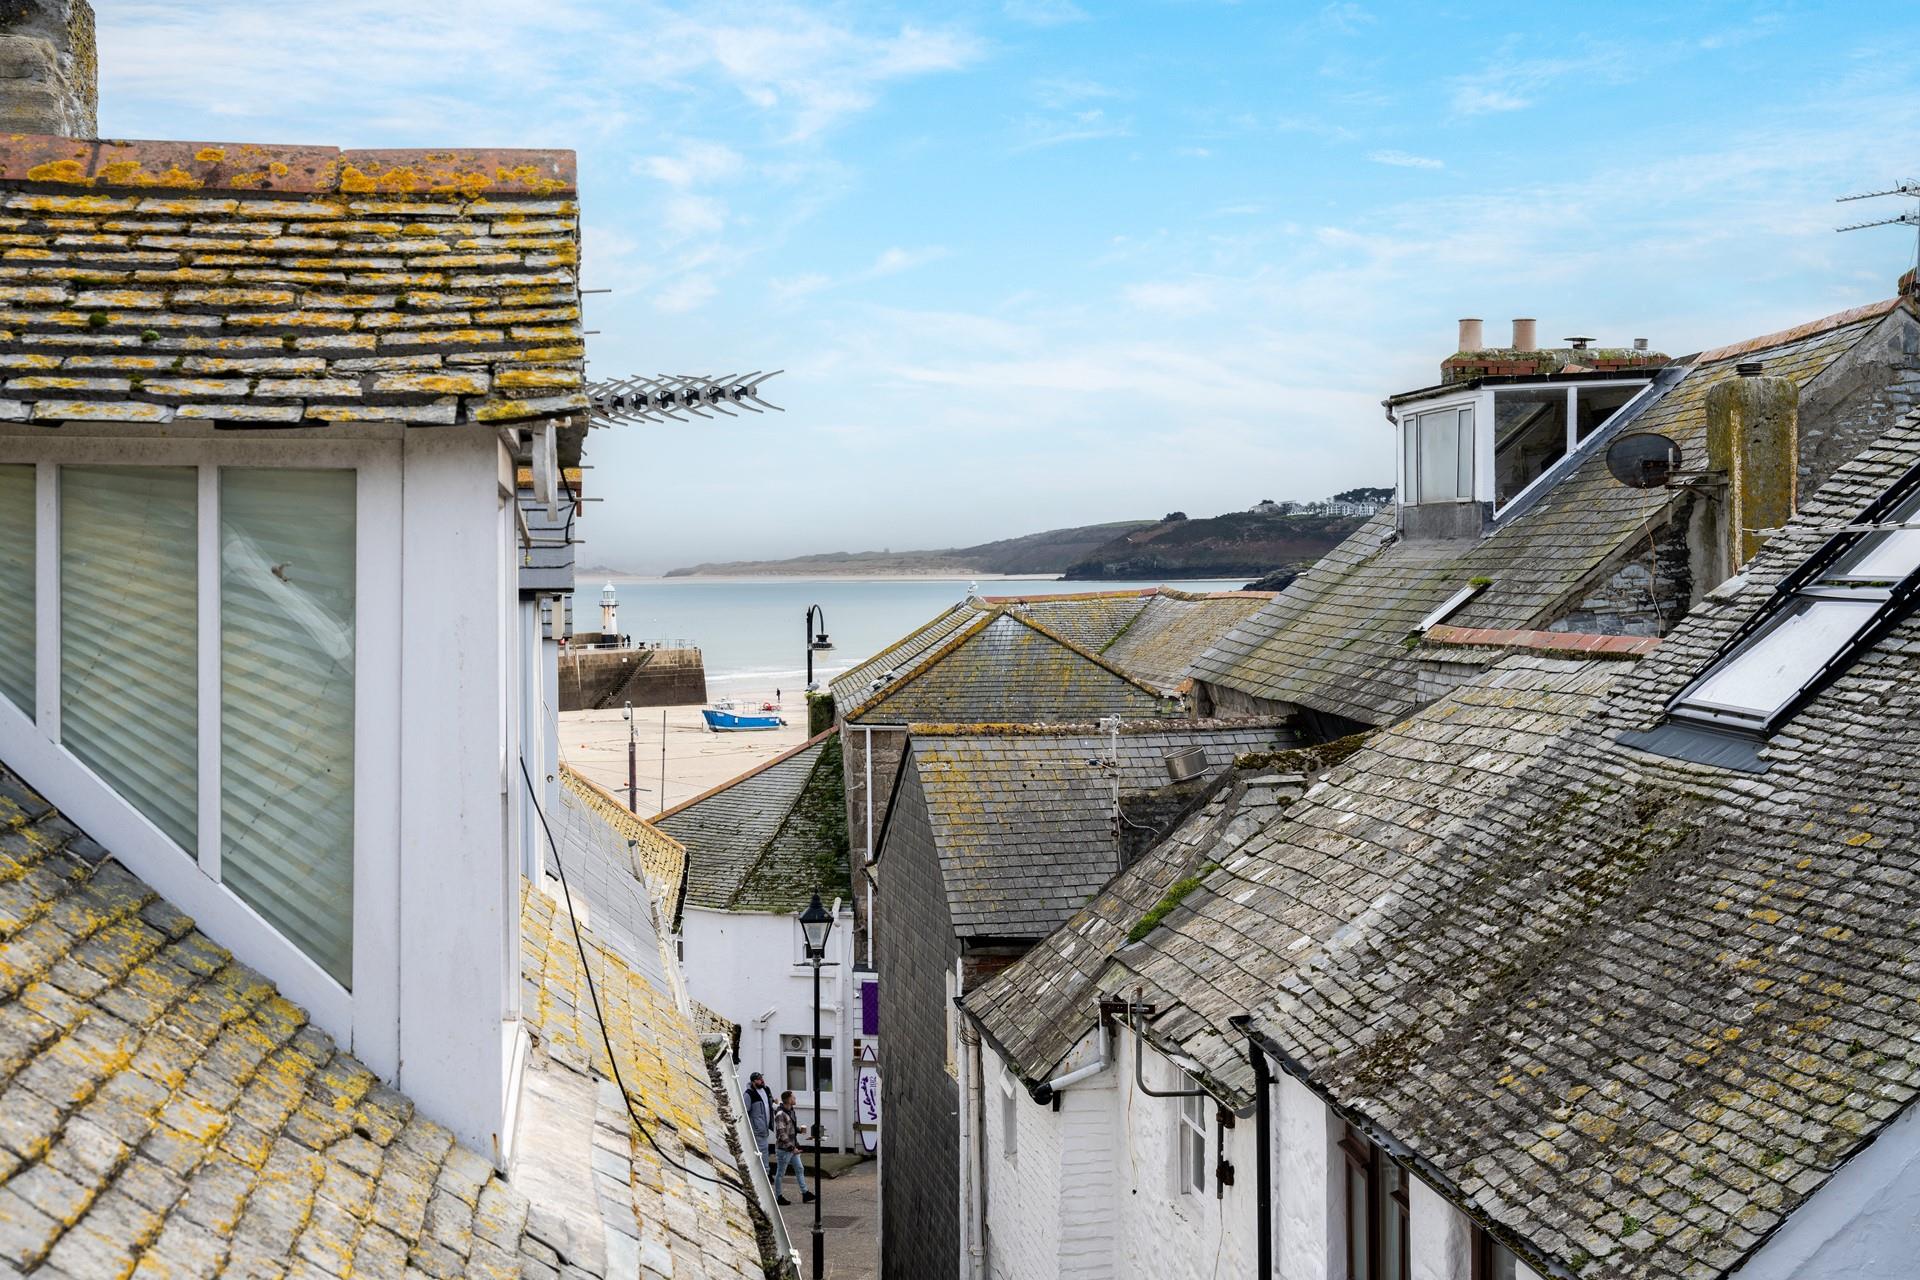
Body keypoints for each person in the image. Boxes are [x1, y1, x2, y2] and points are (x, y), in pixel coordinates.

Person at [771, 1090, 814, 1205]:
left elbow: (790, 1128)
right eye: (793, 1098)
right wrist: (791, 1148)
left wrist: (799, 1130)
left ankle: (805, 1193)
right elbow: (782, 1133)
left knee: (799, 1169)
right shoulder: (780, 1114)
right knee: (781, 1173)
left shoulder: (791, 1111)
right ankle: (779, 1197)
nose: (795, 1099)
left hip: (792, 1147)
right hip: (784, 1149)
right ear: (789, 1100)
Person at [744, 1072, 775, 1172]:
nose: (762, 1080)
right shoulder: (749, 1094)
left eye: (761, 1078)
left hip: (765, 1127)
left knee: (762, 1150)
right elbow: (745, 1111)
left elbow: (769, 1103)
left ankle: (759, 1170)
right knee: (763, 1150)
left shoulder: (766, 1089)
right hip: (757, 1128)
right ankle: (766, 1172)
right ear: (753, 1082)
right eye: (759, 1079)